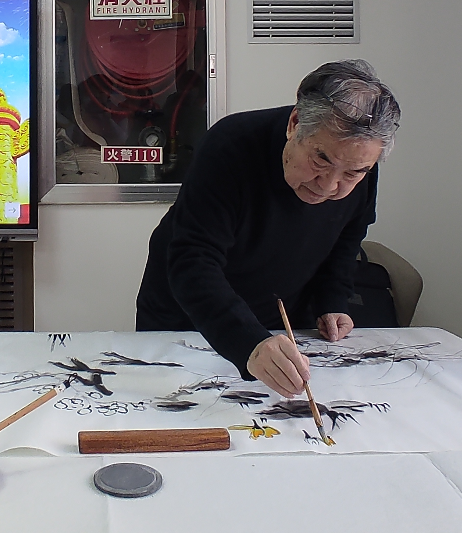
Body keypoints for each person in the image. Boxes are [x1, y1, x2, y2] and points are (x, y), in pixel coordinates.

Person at [135, 59, 400, 398]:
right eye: (321, 160)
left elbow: (348, 235)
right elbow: (193, 260)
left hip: (279, 319)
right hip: (188, 316)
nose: (330, 186)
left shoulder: (360, 163)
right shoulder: (231, 144)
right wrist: (249, 342)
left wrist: (332, 299)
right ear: (295, 124)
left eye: (353, 173)